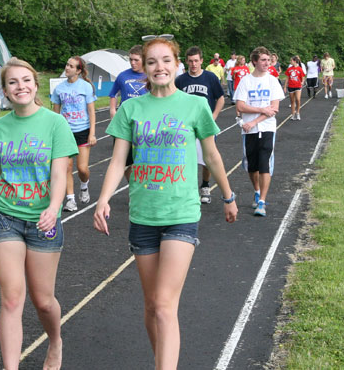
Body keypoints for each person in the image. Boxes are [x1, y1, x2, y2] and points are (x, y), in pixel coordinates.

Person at [93, 38, 237, 370]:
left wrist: (228, 196)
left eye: (167, 60)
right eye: (153, 61)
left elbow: (212, 155)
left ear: (177, 65)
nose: (160, 67)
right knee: (150, 306)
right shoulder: (131, 109)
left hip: (181, 213)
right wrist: (102, 200)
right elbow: (118, 162)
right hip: (143, 214)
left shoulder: (194, 106)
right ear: (143, 66)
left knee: (163, 305)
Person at [0, 57, 78, 370]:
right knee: (11, 298)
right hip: (5, 218)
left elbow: (60, 174)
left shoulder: (55, 123)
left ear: (36, 86)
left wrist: (53, 207)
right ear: (5, 91)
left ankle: (55, 340)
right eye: (12, 82)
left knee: (43, 300)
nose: (20, 86)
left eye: (25, 80)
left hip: (43, 221)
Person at [234, 46, 285, 217]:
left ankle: (262, 201)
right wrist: (262, 109)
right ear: (254, 61)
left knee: (265, 164)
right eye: (263, 60)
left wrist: (257, 118)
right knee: (252, 165)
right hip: (248, 130)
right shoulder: (246, 81)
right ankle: (256, 190)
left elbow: (274, 108)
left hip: (267, 128)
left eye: (269, 60)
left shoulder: (272, 81)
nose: (267, 63)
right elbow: (240, 106)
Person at [175, 46, 225, 203]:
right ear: (186, 62)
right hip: (186, 126)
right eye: (190, 61)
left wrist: (214, 116)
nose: (193, 64)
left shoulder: (210, 77)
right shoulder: (181, 80)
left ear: (202, 61)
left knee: (207, 159)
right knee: (184, 158)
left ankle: (205, 186)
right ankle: (186, 188)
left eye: (196, 61)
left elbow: (221, 98)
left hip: (205, 125)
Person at [52, 56, 97, 212]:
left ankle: (84, 186)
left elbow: (91, 111)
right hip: (66, 132)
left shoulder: (85, 87)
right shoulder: (59, 89)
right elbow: (56, 114)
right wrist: (55, 133)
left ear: (78, 70)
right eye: (67, 65)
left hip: (83, 131)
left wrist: (92, 133)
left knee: (82, 168)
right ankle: (70, 200)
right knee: (67, 167)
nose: (67, 68)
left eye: (71, 66)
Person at [109, 45, 147, 181]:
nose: (132, 63)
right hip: (125, 123)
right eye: (130, 60)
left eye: (136, 60)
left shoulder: (151, 76)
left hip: (144, 124)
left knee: (143, 160)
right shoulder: (123, 76)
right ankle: (133, 186)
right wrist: (113, 110)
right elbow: (113, 93)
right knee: (124, 161)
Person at [285, 56, 305, 120]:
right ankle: (293, 114)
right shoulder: (289, 69)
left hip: (298, 86)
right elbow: (287, 78)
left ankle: (298, 113)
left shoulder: (300, 69)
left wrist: (302, 82)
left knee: (298, 99)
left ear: (294, 61)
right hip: (291, 86)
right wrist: (285, 87)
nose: (290, 62)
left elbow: (303, 77)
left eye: (291, 60)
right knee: (292, 101)